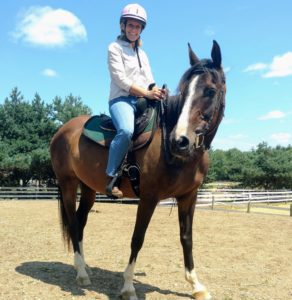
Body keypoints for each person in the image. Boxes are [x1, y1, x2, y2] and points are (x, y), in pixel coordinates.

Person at [106, 3, 165, 198]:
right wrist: (146, 93)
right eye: (130, 25)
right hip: (121, 100)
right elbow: (120, 80)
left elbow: (149, 80)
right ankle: (112, 176)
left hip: (142, 100)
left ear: (141, 30)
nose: (134, 29)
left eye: (138, 27)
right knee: (126, 130)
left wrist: (156, 91)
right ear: (122, 26)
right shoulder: (114, 48)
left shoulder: (143, 54)